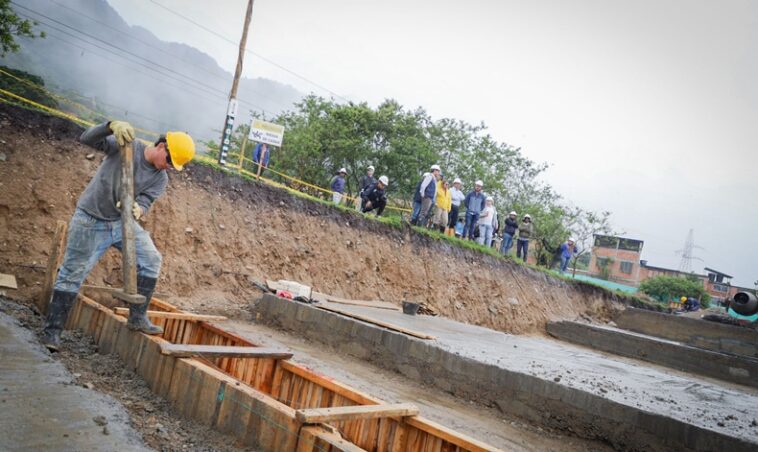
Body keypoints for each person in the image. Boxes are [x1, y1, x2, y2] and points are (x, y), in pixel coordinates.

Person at [40, 120, 195, 351]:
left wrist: (138, 208)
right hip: (91, 219)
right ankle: (51, 332)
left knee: (151, 259)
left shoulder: (160, 179)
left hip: (122, 222)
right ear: (162, 146)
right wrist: (109, 126)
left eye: (174, 166)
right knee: (73, 273)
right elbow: (87, 139)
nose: (170, 167)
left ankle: (137, 317)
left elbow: (146, 200)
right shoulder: (126, 146)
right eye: (170, 161)